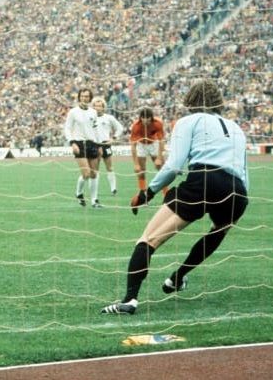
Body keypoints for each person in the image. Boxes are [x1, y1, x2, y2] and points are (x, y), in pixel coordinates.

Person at [101, 80, 249, 315]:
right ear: (217, 102)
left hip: (203, 180)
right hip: (237, 190)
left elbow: (174, 165)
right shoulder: (236, 128)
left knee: (149, 240)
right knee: (217, 230)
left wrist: (147, 192)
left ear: (190, 100)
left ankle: (129, 300)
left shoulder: (188, 121)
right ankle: (177, 279)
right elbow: (244, 171)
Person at [64, 88, 102, 208]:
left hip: (92, 144)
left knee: (94, 174)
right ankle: (79, 193)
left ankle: (94, 201)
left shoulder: (93, 112)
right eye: (82, 96)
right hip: (79, 144)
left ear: (90, 98)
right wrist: (72, 142)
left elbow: (95, 129)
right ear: (79, 97)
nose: (85, 98)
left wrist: (99, 145)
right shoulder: (73, 112)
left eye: (87, 96)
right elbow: (67, 128)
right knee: (86, 173)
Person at [129, 107, 168, 196]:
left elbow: (162, 141)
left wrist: (159, 158)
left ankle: (166, 194)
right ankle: (142, 194)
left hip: (154, 144)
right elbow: (133, 146)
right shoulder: (136, 126)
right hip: (141, 145)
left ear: (151, 117)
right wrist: (136, 164)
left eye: (147, 118)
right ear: (140, 117)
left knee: (161, 169)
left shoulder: (158, 123)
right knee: (141, 171)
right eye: (143, 117)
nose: (145, 120)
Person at [92, 97, 125, 195]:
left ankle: (113, 189)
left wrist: (113, 138)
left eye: (99, 106)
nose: (97, 108)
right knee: (95, 169)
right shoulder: (90, 118)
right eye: (95, 106)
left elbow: (120, 128)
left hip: (105, 144)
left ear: (103, 107)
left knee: (109, 167)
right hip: (94, 145)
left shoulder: (109, 118)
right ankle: (95, 192)